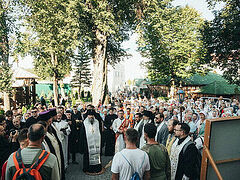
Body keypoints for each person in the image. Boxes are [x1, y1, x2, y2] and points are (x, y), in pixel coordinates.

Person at [81, 109, 103, 174]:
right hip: (87, 143)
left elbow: (100, 132)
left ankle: (97, 168)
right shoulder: (84, 123)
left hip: (97, 143)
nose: (91, 116)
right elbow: (82, 134)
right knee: (87, 156)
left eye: (92, 115)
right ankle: (88, 168)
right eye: (90, 115)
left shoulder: (97, 122)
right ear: (87, 116)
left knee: (97, 154)